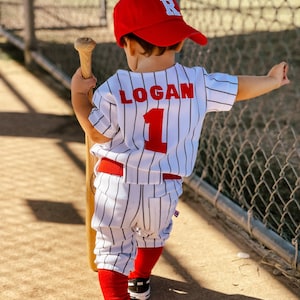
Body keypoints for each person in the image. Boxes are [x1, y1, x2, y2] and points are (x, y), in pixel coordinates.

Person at [71, 0, 290, 299]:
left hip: (116, 183)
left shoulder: (116, 86)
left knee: (112, 246)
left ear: (130, 47)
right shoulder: (196, 82)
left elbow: (96, 133)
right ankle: (140, 279)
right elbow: (237, 88)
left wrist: (78, 97)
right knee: (152, 237)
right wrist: (271, 80)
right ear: (180, 42)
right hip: (163, 188)